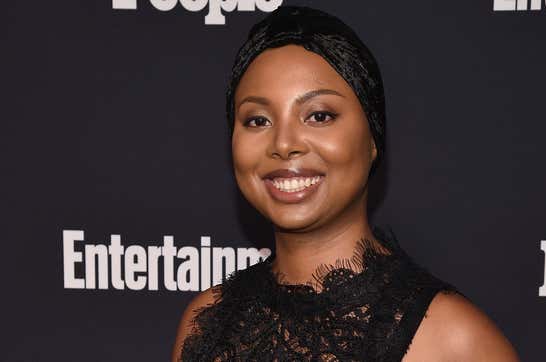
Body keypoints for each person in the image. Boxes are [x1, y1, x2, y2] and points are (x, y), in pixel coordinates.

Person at [173, 6, 519, 361]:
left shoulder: (455, 342)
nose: (282, 143)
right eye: (258, 120)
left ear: (373, 139)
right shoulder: (205, 324)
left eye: (319, 116)